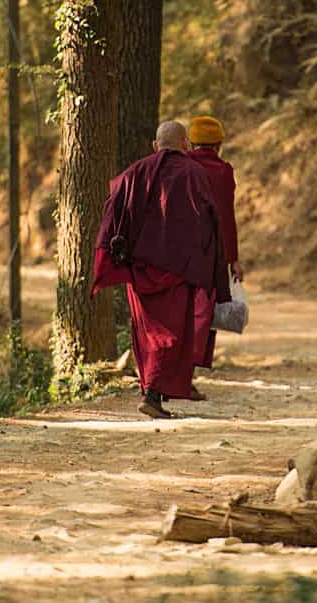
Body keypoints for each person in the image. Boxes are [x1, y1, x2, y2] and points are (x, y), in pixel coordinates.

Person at [92, 120, 229, 419]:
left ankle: (152, 391)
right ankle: (152, 394)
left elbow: (112, 213)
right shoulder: (194, 173)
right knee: (172, 333)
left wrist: (114, 257)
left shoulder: (133, 172)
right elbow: (209, 222)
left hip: (140, 269)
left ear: (155, 146)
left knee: (148, 332)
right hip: (179, 268)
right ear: (185, 145)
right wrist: (209, 265)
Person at [185, 116, 243, 390]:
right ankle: (191, 370)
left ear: (191, 142)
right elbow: (226, 218)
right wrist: (233, 259)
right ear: (219, 143)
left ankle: (179, 373)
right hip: (213, 253)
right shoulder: (222, 171)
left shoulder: (183, 166)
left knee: (182, 310)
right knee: (206, 310)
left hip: (179, 253)